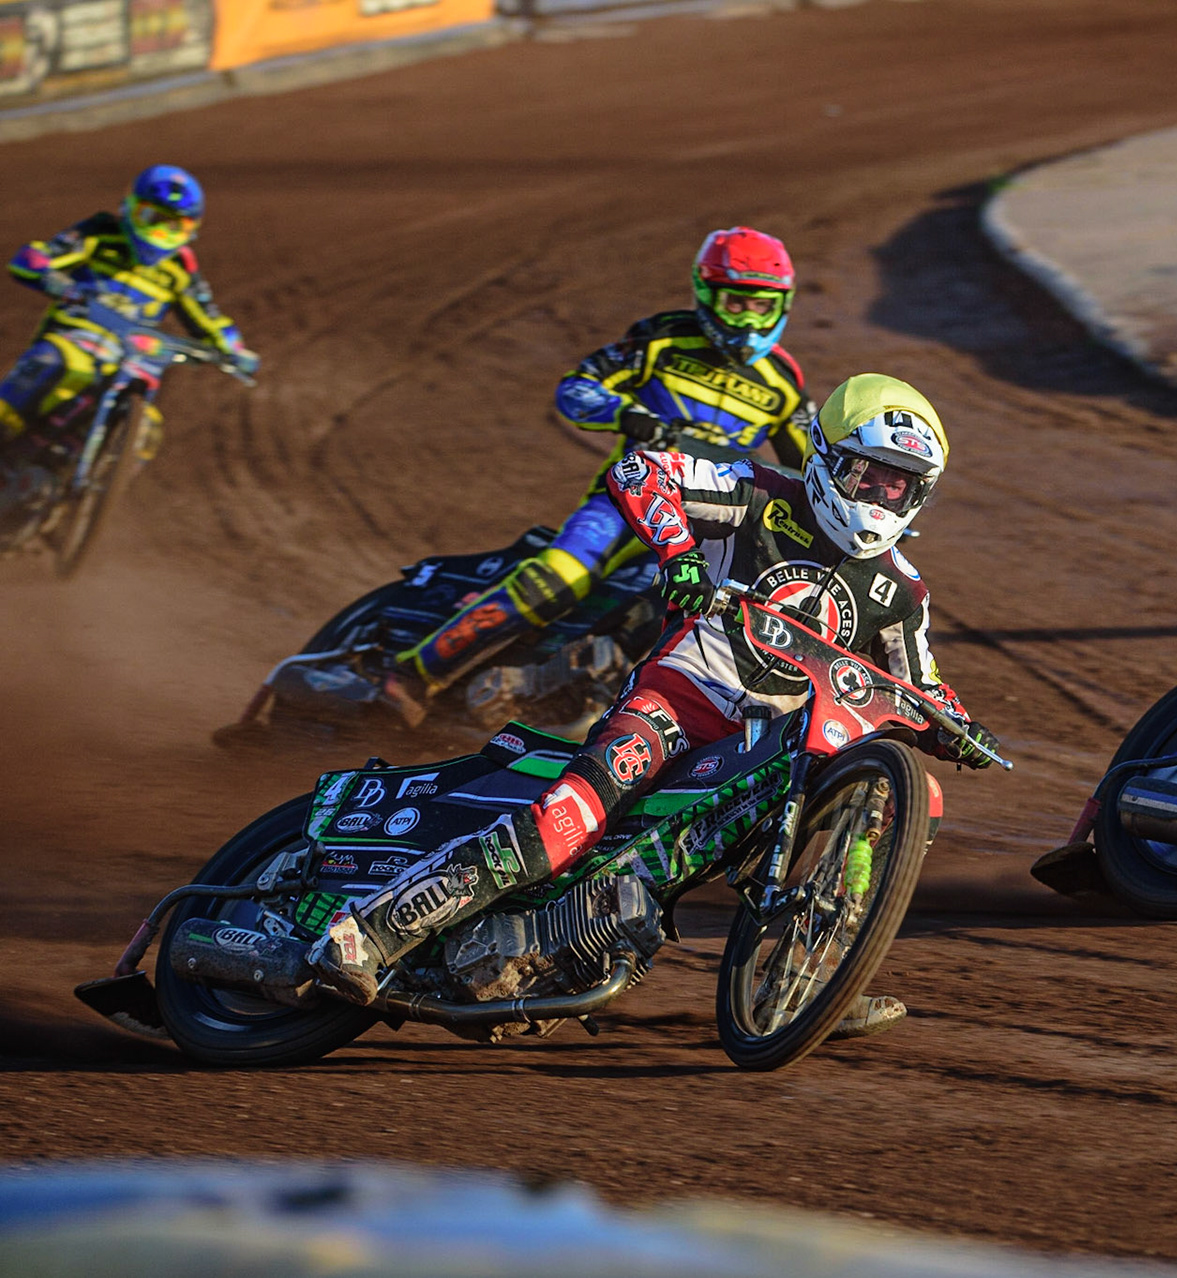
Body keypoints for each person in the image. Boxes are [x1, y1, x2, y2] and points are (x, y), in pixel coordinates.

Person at [314, 373, 998, 1036]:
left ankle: (817, 976)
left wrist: (959, 728)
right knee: (569, 821)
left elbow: (922, 685)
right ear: (826, 458)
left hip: (773, 746)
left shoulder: (903, 590)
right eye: (870, 475)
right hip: (678, 701)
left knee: (893, 799)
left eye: (901, 484)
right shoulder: (758, 491)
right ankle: (368, 933)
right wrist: (680, 555)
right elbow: (640, 471)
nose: (882, 495)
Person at [381, 226, 814, 724]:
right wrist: (627, 414)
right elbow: (576, 388)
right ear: (706, 293)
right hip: (628, 499)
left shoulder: (785, 383)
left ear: (783, 306)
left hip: (709, 522)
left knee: (710, 615)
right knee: (559, 579)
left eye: (762, 306)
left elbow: (814, 463)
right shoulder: (660, 338)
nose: (749, 319)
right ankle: (414, 673)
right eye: (736, 303)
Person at [0, 164, 258, 516]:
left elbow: (209, 317)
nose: (160, 233)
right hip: (77, 338)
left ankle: (76, 502)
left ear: (190, 230)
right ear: (131, 209)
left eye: (174, 226)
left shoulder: (179, 270)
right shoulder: (100, 234)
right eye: (153, 218)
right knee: (55, 364)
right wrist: (54, 279)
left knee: (147, 429)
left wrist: (234, 349)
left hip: (132, 359)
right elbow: (38, 257)